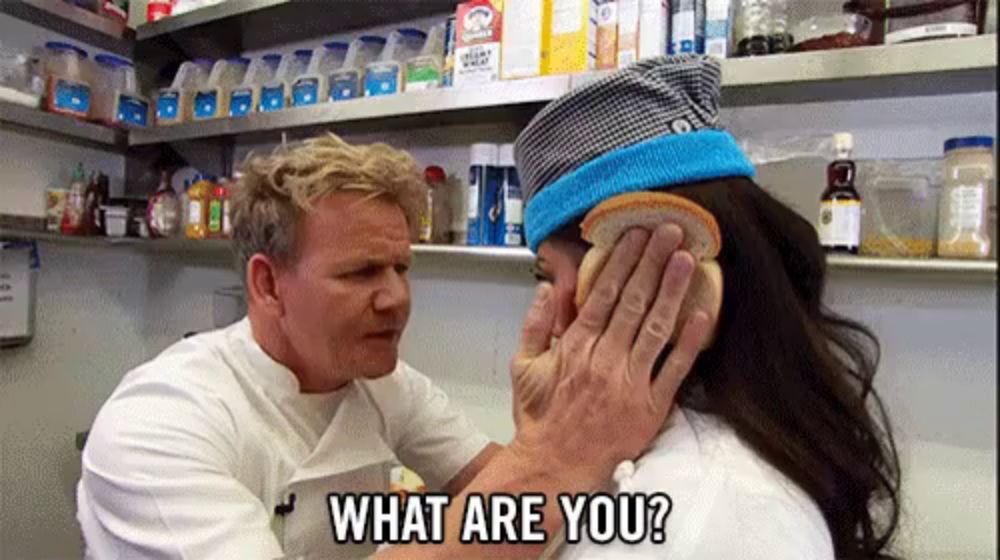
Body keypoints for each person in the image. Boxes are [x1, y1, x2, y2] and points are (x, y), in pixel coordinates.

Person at [76, 133, 710, 559]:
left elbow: (506, 493)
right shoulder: (161, 423)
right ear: (268, 284)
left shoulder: (382, 384)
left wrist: (543, 438)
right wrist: (551, 455)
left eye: (401, 269)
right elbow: (528, 489)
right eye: (360, 274)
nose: (396, 300)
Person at [515, 55, 902, 559]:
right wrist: (546, 448)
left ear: (652, 279)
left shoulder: (697, 513)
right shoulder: (739, 450)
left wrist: (540, 458)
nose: (552, 319)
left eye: (549, 275)